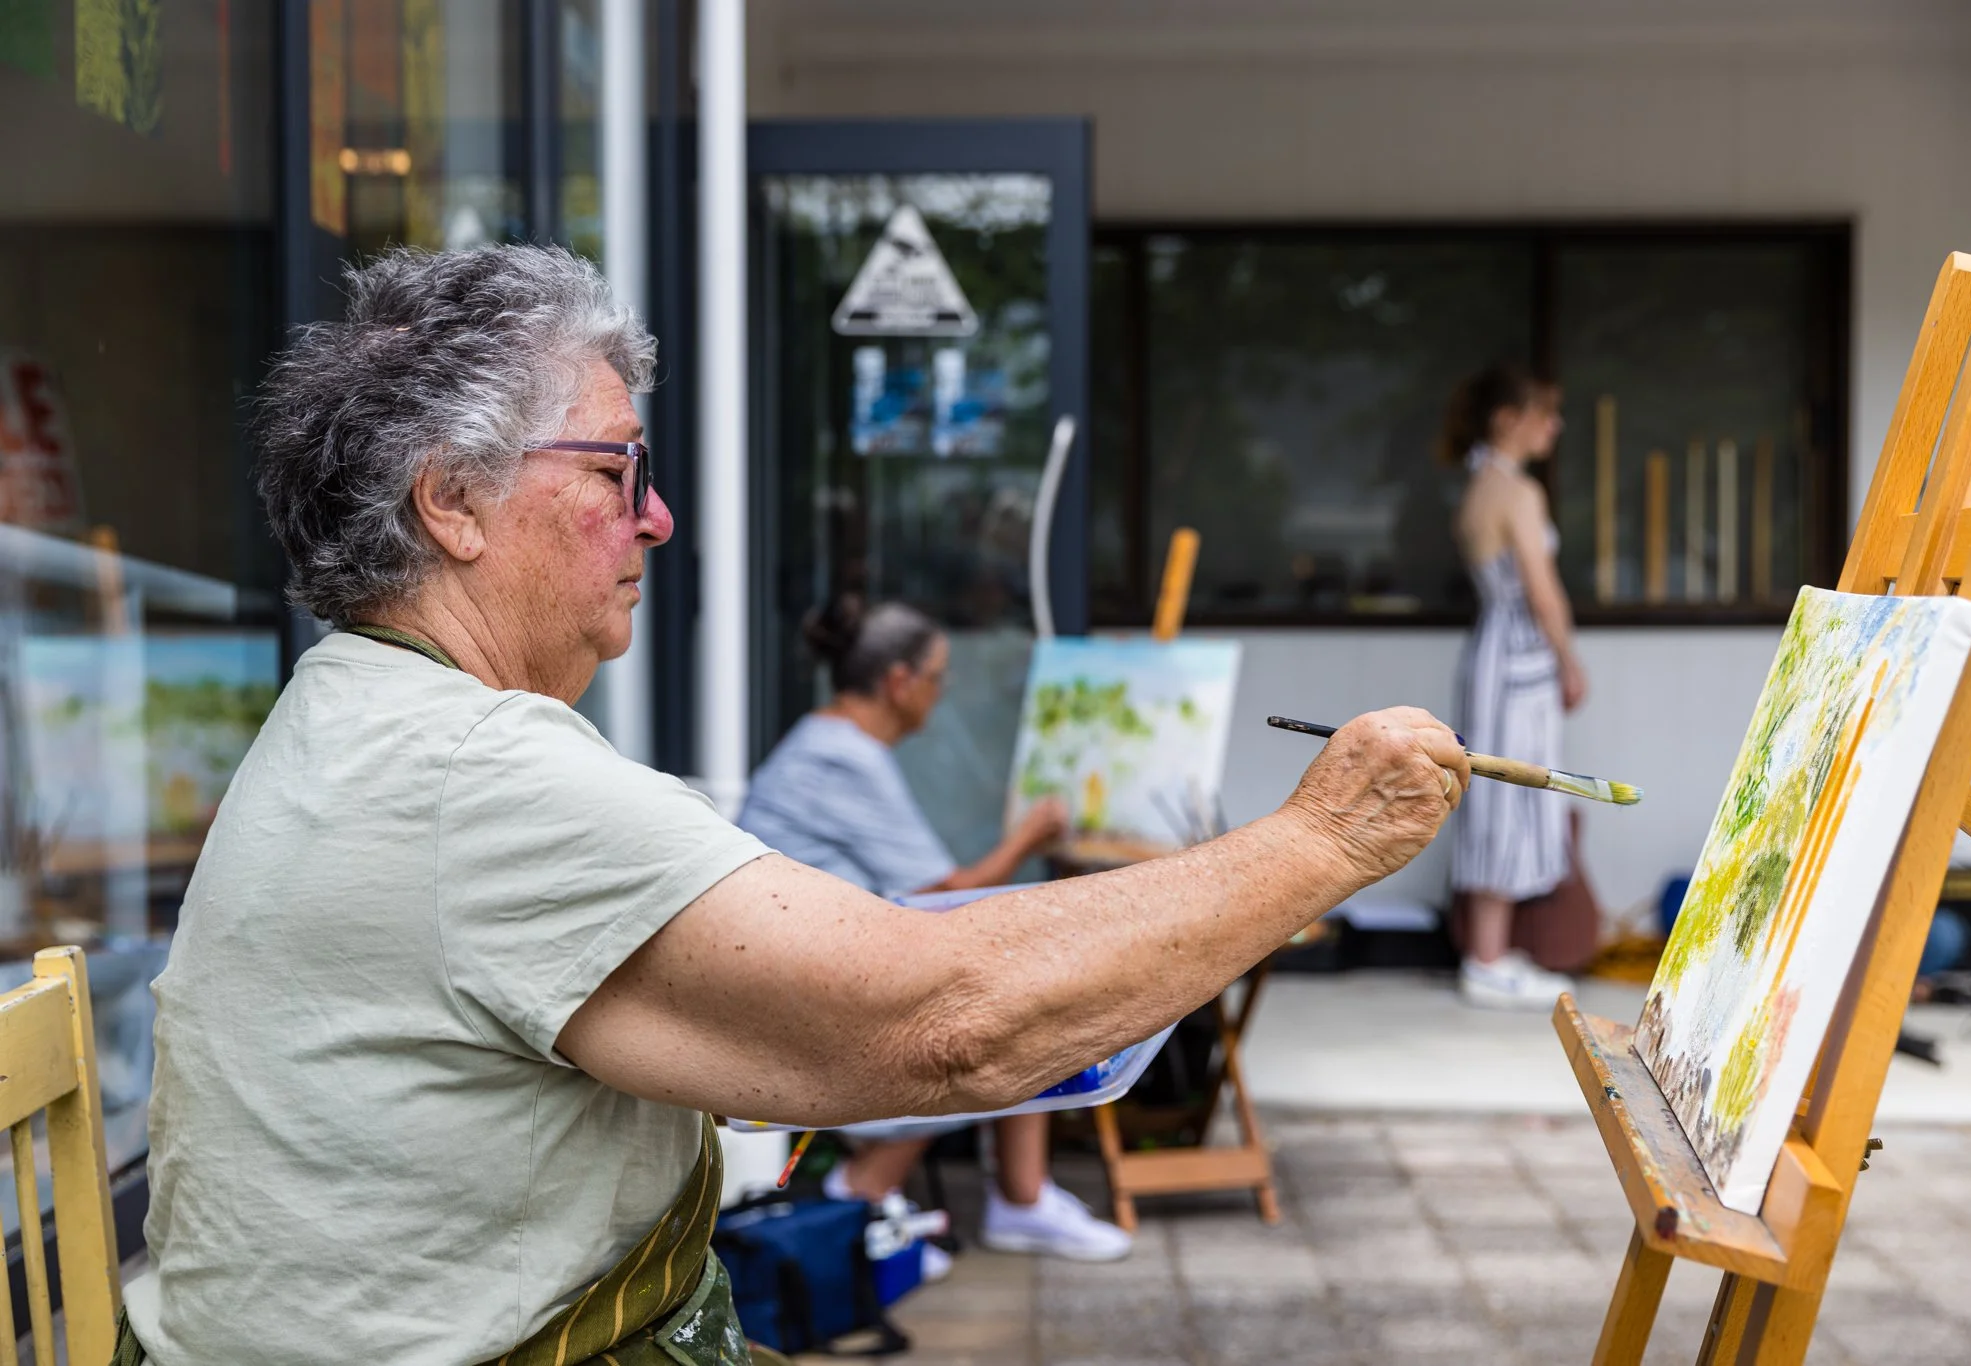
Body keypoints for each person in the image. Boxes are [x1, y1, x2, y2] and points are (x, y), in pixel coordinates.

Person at [121, 244, 1468, 1366]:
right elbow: (946, 1024)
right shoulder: (473, 774)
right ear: (455, 503)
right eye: (617, 472)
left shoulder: (356, 712)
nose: (654, 521)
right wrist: (1321, 840)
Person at [738, 595, 1130, 1264]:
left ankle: (1021, 1199)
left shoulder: (834, 743)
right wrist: (1031, 834)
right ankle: (863, 1195)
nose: (941, 694)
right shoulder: (841, 758)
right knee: (989, 1021)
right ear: (898, 682)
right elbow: (945, 892)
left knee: (1020, 987)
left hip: (816, 973)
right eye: (937, 677)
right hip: (798, 1000)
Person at [1441, 364, 1582, 1010]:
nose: (1553, 426)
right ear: (1509, 418)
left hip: (1493, 652)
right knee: (1508, 790)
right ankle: (1488, 958)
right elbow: (1540, 587)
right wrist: (1569, 658)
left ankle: (1490, 952)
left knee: (1497, 790)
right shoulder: (1515, 492)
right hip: (1519, 654)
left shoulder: (1480, 486)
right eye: (1543, 413)